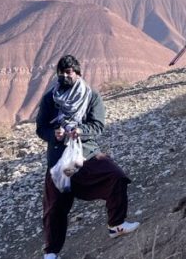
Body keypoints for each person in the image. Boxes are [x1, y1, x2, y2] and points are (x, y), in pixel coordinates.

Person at [36, 55, 139, 259]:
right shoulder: (50, 98)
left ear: (77, 73)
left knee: (116, 176)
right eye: (61, 73)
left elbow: (98, 125)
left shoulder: (91, 96)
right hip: (59, 160)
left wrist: (81, 131)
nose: (65, 76)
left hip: (85, 154)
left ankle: (116, 224)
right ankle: (51, 252)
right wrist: (54, 135)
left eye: (69, 72)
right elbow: (41, 128)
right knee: (54, 207)